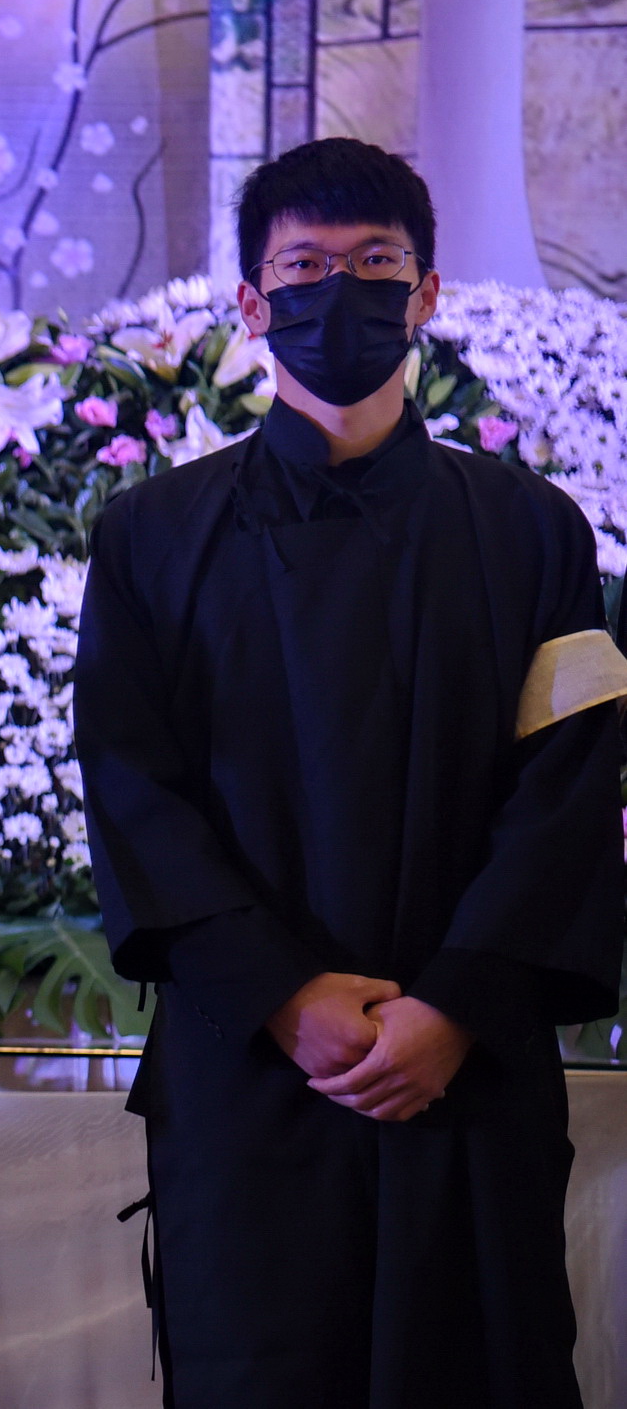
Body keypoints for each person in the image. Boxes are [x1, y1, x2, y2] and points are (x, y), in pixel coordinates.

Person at [75, 137, 626, 1407]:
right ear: (253, 305)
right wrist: (283, 993)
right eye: (306, 267)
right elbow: (132, 786)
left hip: (469, 1069)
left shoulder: (534, 530)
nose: (343, 293)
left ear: (426, 293)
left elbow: (569, 787)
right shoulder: (154, 536)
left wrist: (452, 1007)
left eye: (375, 263)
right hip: (253, 1071)